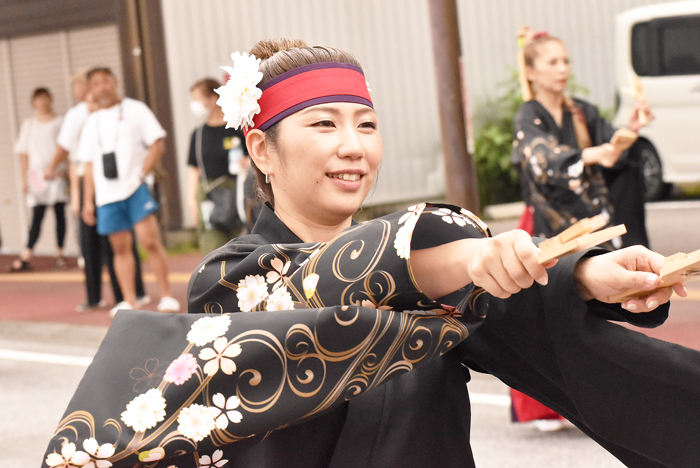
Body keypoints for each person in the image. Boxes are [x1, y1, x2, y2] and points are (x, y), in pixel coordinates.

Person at [43, 40, 699, 468]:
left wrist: (582, 276)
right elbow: (328, 284)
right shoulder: (228, 280)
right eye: (323, 124)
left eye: (367, 124)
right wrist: (470, 259)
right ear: (261, 151)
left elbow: (526, 321)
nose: (354, 145)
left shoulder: (430, 261)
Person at [513, 29, 652, 246]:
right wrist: (592, 154)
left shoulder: (582, 111)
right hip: (554, 226)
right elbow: (541, 158)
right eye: (553, 63)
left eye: (566, 61)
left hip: (596, 222)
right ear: (530, 72)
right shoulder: (528, 115)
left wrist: (630, 130)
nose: (562, 69)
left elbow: (613, 148)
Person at [76, 67, 179, 316]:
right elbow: (88, 165)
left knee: (150, 241)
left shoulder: (135, 109)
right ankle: (130, 301)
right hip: (107, 196)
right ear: (90, 90)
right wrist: (87, 201)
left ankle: (166, 296)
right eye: (96, 84)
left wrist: (142, 174)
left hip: (135, 188)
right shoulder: (90, 122)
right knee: (119, 249)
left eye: (105, 82)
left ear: (115, 82)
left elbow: (158, 143)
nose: (102, 87)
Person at [45, 69, 149, 313]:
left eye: (79, 85)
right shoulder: (78, 115)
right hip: (88, 183)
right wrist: (79, 197)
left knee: (119, 243)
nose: (79, 90)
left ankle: (130, 294)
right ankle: (95, 297)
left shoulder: (117, 111)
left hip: (115, 184)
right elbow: (72, 156)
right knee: (91, 243)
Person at [187, 78, 248, 253]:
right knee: (213, 249)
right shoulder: (198, 134)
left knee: (241, 247)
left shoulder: (238, 128)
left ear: (214, 99)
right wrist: (192, 201)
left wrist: (248, 162)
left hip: (237, 192)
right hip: (209, 194)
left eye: (197, 99)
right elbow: (194, 169)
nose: (195, 104)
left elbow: (256, 157)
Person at [9, 88, 67, 272]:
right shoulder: (29, 124)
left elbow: (65, 148)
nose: (42, 102)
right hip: (37, 176)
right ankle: (27, 253)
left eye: (45, 98)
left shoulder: (60, 121)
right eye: (38, 99)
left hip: (57, 174)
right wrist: (24, 178)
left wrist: (59, 169)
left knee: (60, 214)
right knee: (37, 216)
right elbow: (23, 153)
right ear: (34, 102)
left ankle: (60, 254)